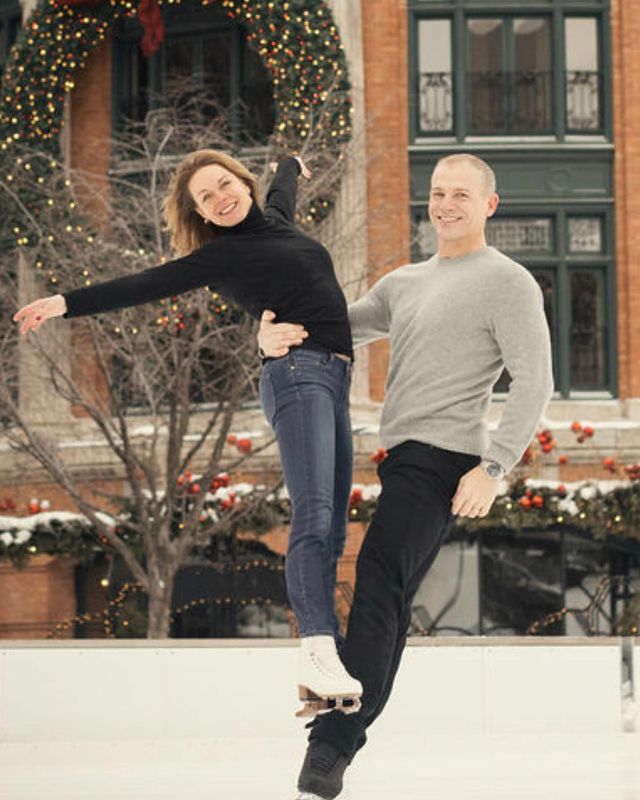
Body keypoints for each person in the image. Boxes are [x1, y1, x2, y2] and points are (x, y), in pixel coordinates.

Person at [12, 149, 363, 712]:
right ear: (201, 215)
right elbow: (141, 284)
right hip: (299, 376)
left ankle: (323, 663)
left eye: (224, 184)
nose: (221, 198)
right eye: (207, 199)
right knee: (314, 514)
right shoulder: (219, 257)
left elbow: (282, 189)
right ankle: (315, 645)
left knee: (334, 528)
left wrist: (292, 163)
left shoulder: (276, 221)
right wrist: (62, 303)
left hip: (333, 377)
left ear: (241, 182)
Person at [257, 153, 554, 800]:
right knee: (387, 599)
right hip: (401, 459)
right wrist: (272, 335)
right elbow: (333, 327)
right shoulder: (405, 283)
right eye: (438, 193)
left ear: (489, 205)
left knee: (377, 580)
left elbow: (536, 381)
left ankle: (330, 745)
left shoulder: (508, 282)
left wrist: (495, 466)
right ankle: (343, 734)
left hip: (443, 458)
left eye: (461, 195)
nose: (446, 204)